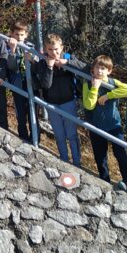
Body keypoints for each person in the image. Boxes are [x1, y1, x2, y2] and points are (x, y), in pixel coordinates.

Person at [81, 54, 127, 191]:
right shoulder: (88, 83)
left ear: (109, 71)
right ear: (92, 69)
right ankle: (104, 181)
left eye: (103, 68)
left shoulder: (112, 82)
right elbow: (88, 105)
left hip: (113, 125)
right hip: (96, 126)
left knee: (120, 153)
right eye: (97, 68)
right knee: (100, 156)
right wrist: (95, 88)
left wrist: (108, 95)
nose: (100, 71)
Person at [32, 34, 85, 168]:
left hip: (69, 102)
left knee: (72, 134)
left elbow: (85, 68)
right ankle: (64, 160)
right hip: (52, 104)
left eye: (56, 49)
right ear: (46, 49)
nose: (53, 53)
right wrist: (49, 68)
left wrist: (67, 63)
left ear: (61, 48)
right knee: (59, 135)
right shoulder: (43, 62)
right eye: (50, 49)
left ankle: (77, 163)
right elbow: (46, 85)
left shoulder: (68, 58)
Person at [2, 20, 34, 141]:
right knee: (20, 112)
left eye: (22, 34)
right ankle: (23, 136)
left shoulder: (31, 47)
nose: (19, 37)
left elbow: (38, 62)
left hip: (31, 83)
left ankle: (34, 138)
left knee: (32, 111)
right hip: (17, 82)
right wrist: (13, 51)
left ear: (26, 35)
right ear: (11, 33)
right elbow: (11, 67)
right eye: (16, 34)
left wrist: (32, 59)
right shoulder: (7, 46)